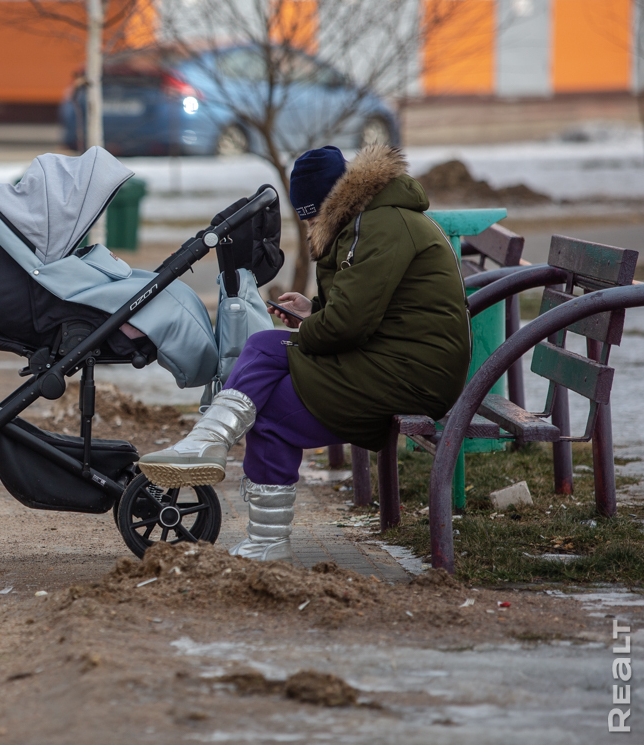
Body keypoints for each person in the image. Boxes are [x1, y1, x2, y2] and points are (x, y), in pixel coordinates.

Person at [138, 143, 471, 560]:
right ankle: (214, 451)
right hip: (395, 361)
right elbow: (373, 313)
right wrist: (314, 311)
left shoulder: (382, 226)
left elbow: (348, 325)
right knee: (264, 356)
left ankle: (245, 503)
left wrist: (317, 324)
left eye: (311, 212)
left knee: (271, 404)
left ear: (335, 198)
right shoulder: (372, 220)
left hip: (412, 376)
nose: (309, 222)